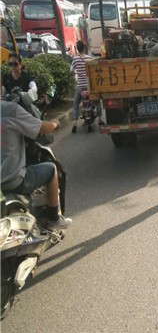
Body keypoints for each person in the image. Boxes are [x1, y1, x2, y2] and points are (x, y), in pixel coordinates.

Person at [0, 99, 72, 230]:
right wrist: (55, 123)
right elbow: (43, 129)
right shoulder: (11, 109)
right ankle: (55, 220)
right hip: (12, 181)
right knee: (51, 169)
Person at [71, 40, 100, 133]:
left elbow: (71, 70)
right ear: (84, 48)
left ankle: (75, 122)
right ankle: (100, 119)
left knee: (75, 105)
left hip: (80, 87)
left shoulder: (75, 59)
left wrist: (76, 73)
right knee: (98, 102)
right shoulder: (89, 58)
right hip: (89, 87)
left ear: (77, 49)